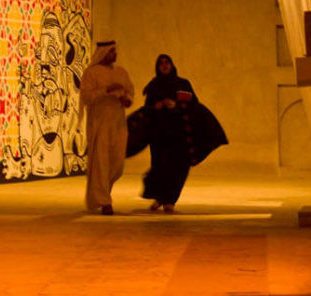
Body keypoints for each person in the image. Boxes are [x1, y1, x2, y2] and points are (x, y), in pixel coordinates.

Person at [141, 53, 227, 213]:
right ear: (157, 67)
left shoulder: (183, 84)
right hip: (159, 135)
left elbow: (194, 105)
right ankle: (160, 197)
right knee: (159, 166)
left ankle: (170, 200)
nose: (164, 65)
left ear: (172, 65)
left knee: (178, 167)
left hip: (179, 134)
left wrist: (176, 106)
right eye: (161, 63)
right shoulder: (153, 86)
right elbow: (147, 109)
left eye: (167, 62)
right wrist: (157, 106)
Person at [80, 40, 134, 214]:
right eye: (111, 51)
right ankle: (104, 202)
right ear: (103, 53)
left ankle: (103, 194)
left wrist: (126, 99)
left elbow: (129, 94)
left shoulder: (121, 72)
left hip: (118, 123)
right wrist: (106, 90)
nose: (115, 54)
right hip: (100, 123)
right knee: (101, 163)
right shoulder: (91, 73)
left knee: (116, 164)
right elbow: (87, 97)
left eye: (115, 51)